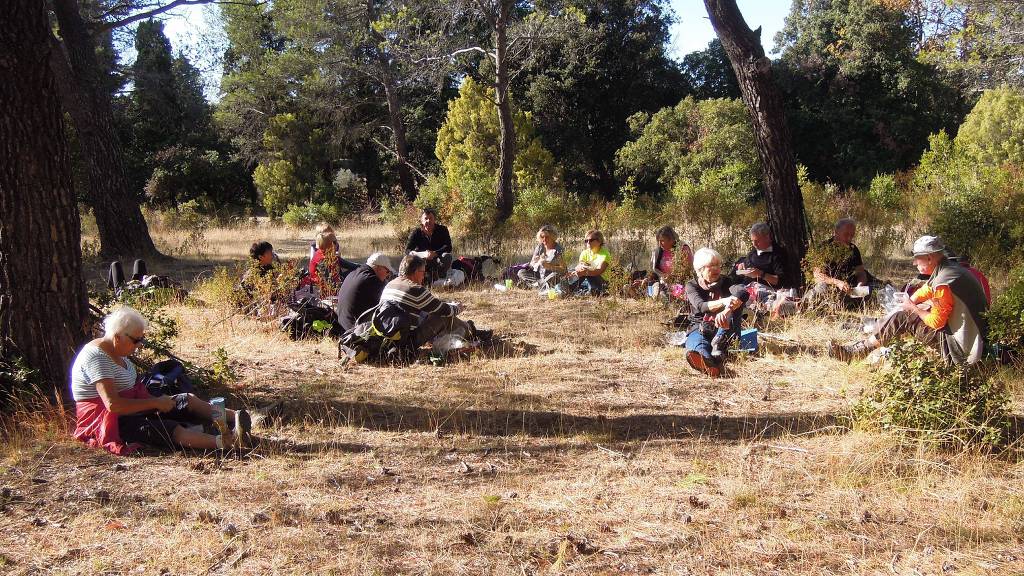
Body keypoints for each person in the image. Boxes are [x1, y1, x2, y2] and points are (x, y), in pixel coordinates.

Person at [70, 307, 251, 455]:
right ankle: (229, 442)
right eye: (135, 340)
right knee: (170, 428)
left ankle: (239, 417)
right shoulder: (97, 358)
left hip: (133, 407)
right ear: (117, 337)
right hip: (111, 421)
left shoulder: (118, 352)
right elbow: (113, 405)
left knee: (185, 400)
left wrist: (158, 402)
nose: (139, 345)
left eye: (141, 339)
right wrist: (155, 402)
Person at [831, 235, 988, 365]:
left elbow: (937, 322)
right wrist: (909, 300)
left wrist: (913, 308)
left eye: (916, 259)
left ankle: (857, 352)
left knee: (903, 317)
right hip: (972, 340)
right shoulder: (949, 270)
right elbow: (926, 289)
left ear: (929, 258)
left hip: (960, 348)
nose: (913, 263)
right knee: (910, 311)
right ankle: (869, 341)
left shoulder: (943, 281)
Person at [380, 255, 489, 347]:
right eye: (423, 272)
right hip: (406, 341)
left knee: (427, 313)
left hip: (385, 336)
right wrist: (457, 307)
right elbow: (443, 310)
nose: (423, 276)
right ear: (416, 272)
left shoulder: (391, 284)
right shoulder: (415, 289)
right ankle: (471, 331)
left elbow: (428, 305)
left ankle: (467, 330)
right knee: (442, 317)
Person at [683, 248, 750, 377]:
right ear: (700, 269)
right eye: (711, 266)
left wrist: (727, 310)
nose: (716, 269)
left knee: (737, 300)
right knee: (695, 345)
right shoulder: (692, 285)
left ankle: (717, 349)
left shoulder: (726, 282)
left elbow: (743, 291)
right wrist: (725, 301)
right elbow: (701, 306)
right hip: (700, 327)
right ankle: (711, 364)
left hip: (724, 328)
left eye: (718, 265)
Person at [805, 218, 876, 308]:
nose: (849, 238)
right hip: (831, 287)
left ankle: (848, 303)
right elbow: (818, 276)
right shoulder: (823, 248)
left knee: (876, 289)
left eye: (852, 235)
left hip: (850, 289)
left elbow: (861, 272)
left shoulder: (853, 249)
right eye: (846, 235)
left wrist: (860, 285)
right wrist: (837, 282)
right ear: (836, 232)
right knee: (821, 288)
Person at [336, 253, 395, 332]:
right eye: (387, 272)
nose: (387, 276)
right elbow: (387, 304)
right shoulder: (371, 280)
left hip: (342, 326)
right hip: (354, 331)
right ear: (379, 268)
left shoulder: (353, 273)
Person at [638, 226, 692, 296]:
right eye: (658, 241)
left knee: (663, 293)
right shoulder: (659, 251)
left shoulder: (683, 249)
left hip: (680, 284)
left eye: (662, 241)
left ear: (671, 239)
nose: (660, 244)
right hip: (662, 283)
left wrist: (671, 277)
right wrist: (646, 279)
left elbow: (688, 271)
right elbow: (654, 270)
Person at [406, 208, 454, 283]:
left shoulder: (442, 229)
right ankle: (424, 277)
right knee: (411, 258)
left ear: (434, 219)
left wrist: (435, 253)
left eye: (431, 218)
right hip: (422, 260)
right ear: (421, 220)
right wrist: (420, 254)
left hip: (438, 258)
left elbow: (448, 246)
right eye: (426, 219)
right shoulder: (416, 232)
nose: (428, 221)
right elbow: (407, 250)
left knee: (447, 256)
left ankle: (440, 276)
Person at [560, 230, 611, 296]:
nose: (588, 243)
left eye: (591, 240)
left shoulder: (605, 254)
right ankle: (571, 289)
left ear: (599, 241)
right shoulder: (584, 253)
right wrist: (576, 271)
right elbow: (579, 266)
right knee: (575, 272)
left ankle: (571, 289)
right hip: (587, 279)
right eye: (586, 241)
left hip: (602, 281)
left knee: (587, 272)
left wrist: (585, 272)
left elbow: (599, 271)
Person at [308, 231, 359, 296]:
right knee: (357, 273)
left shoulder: (326, 254)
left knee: (358, 271)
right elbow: (328, 281)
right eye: (335, 242)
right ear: (330, 244)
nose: (337, 244)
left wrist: (367, 267)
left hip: (332, 283)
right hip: (323, 289)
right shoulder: (323, 259)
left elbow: (352, 266)